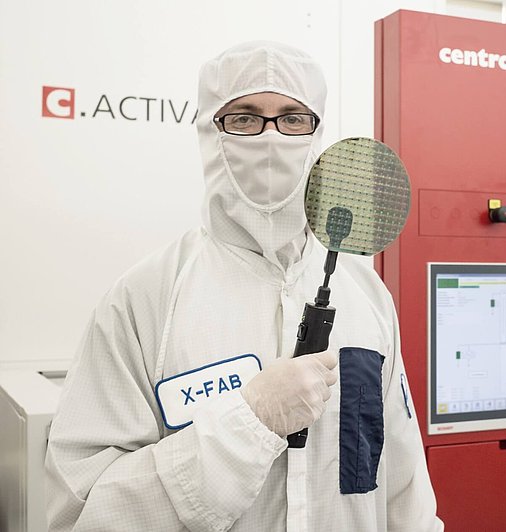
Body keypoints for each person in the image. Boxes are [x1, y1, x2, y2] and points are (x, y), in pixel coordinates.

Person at [45, 41, 443, 532]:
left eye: (293, 118)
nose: (272, 138)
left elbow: (403, 484)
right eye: (246, 117)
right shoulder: (143, 298)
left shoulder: (366, 293)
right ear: (210, 130)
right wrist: (248, 424)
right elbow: (82, 514)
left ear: (316, 132)